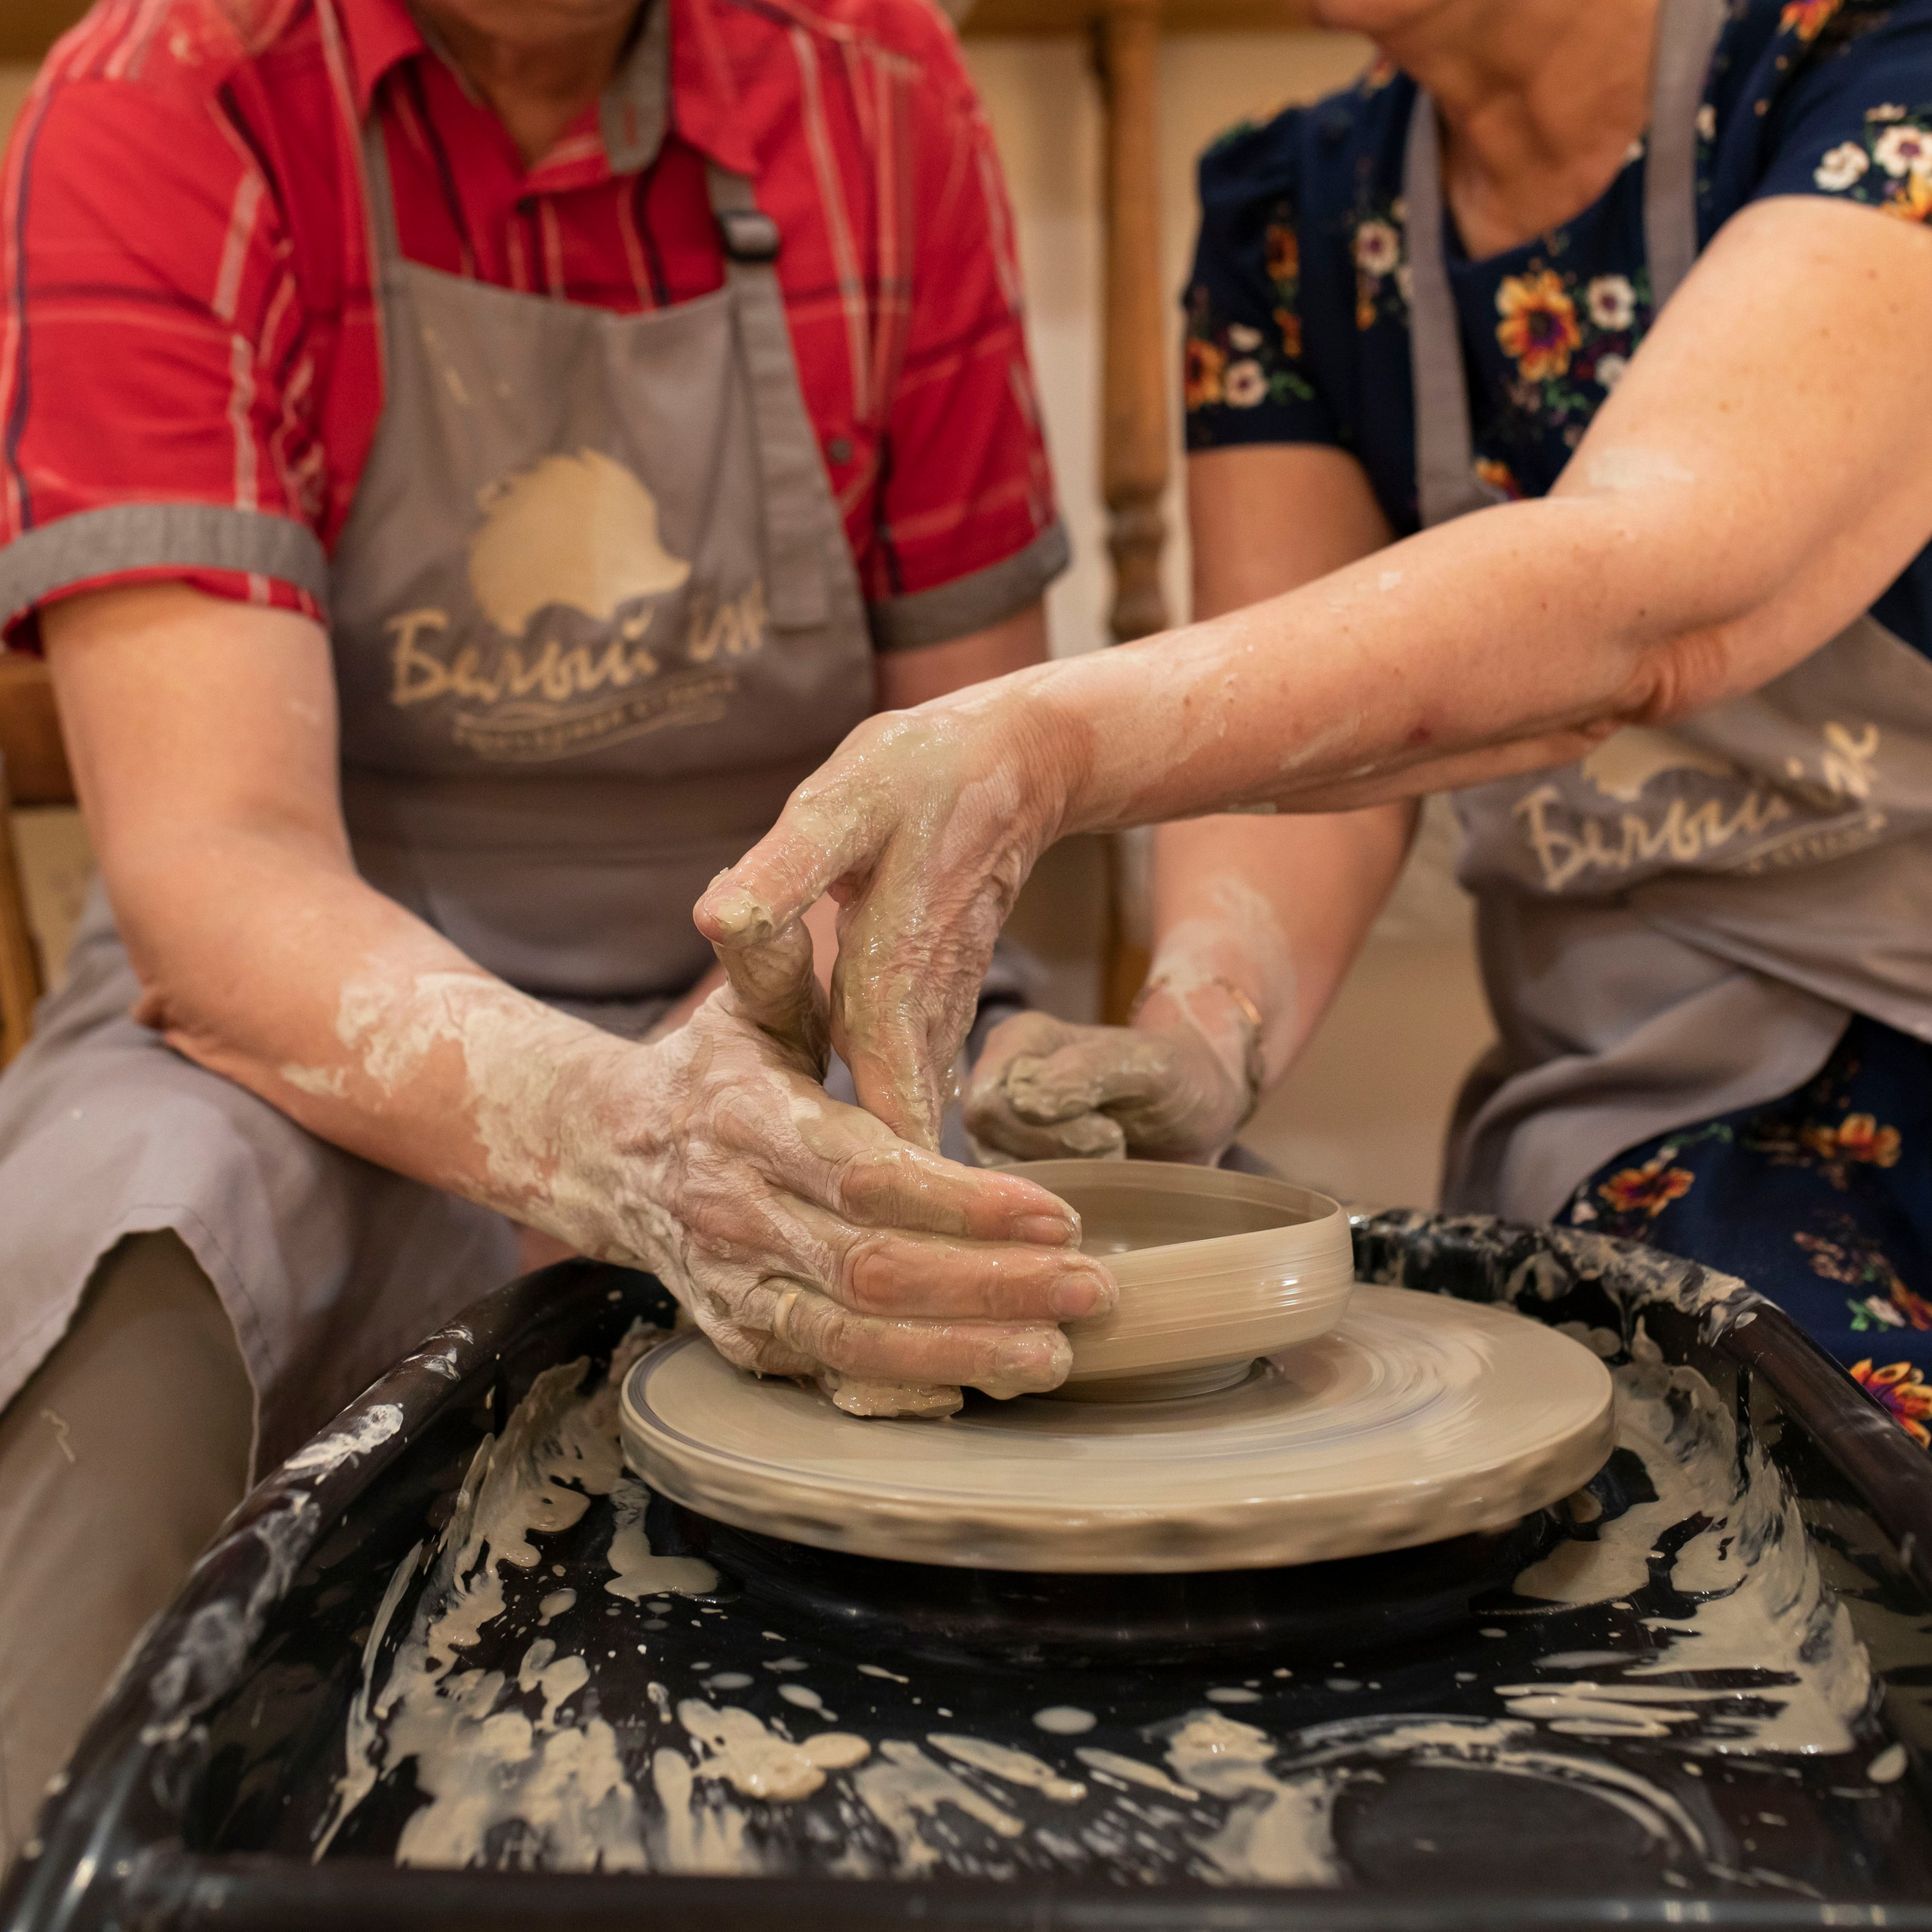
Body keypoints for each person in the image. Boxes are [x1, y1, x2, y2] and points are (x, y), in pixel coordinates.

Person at [0, 0, 1115, 1855]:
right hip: (317, 1001)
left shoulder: (876, 81)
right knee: (124, 1235)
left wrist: (738, 1089)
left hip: (817, 984)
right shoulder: (169, 95)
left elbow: (958, 796)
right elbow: (218, 869)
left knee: (1097, 1240)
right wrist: (607, 1135)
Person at [699, 0, 1932, 1452]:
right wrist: (1207, 1023)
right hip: (1665, 1077)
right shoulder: (1289, 222)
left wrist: (1039, 743)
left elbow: (1643, 602)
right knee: (1722, 1458)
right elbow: (1298, 762)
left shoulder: (1879, 79)